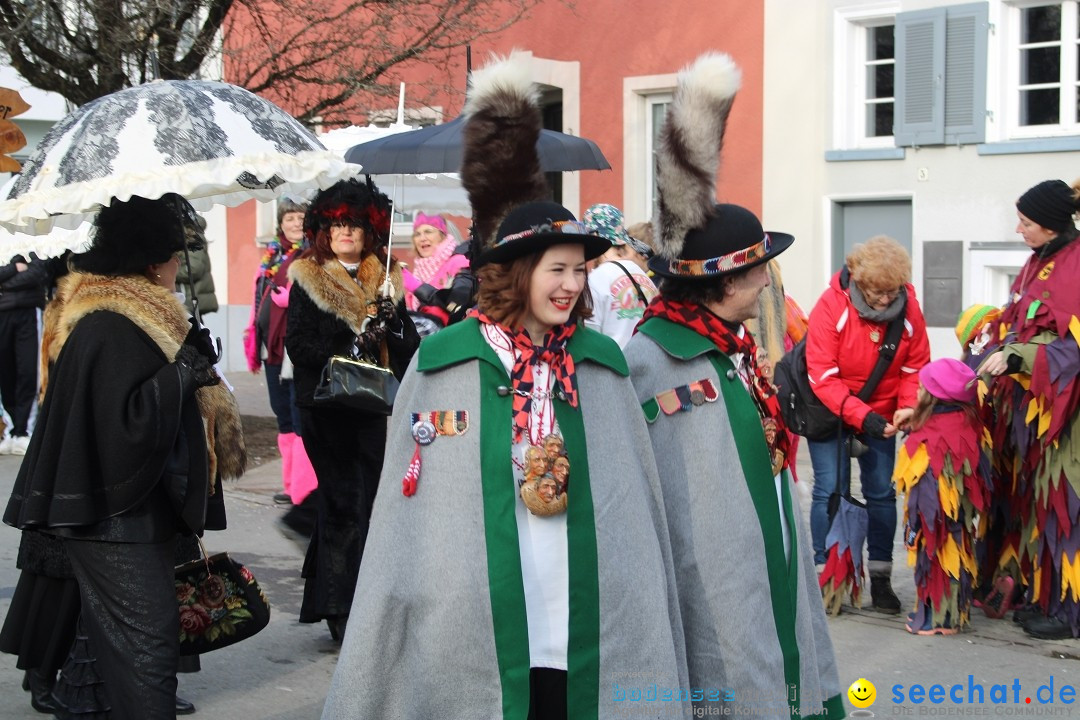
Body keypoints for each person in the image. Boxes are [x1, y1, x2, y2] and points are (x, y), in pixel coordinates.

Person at [321, 52, 688, 720]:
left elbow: (635, 509)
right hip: (479, 612)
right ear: (515, 272)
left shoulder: (601, 363)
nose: (571, 286)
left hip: (583, 604)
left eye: (579, 271)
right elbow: (413, 521)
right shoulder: (444, 364)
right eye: (556, 269)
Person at [624, 51, 842, 719]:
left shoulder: (734, 346)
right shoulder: (653, 357)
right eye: (754, 274)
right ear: (718, 282)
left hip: (767, 553)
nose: (764, 284)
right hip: (711, 580)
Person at [3, 193, 245, 719]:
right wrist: (185, 371)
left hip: (128, 513)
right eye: (174, 255)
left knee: (132, 646)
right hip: (113, 517)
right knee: (148, 648)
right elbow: (124, 426)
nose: (179, 266)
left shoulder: (127, 316)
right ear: (153, 260)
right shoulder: (111, 323)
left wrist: (190, 363)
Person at [285, 177, 420, 642]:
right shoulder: (308, 275)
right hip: (324, 405)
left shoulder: (384, 278)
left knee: (363, 500)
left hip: (369, 404)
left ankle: (333, 592)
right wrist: (354, 339)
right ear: (324, 228)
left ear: (369, 231)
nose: (346, 233)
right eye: (337, 225)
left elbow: (410, 345)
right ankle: (343, 609)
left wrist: (388, 326)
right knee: (345, 500)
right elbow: (298, 346)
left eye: (355, 226)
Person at [805, 234, 930, 614]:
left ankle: (880, 576)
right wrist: (865, 418)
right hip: (831, 412)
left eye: (891, 293)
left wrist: (908, 408)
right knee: (830, 488)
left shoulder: (908, 310)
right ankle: (828, 575)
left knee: (880, 493)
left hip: (883, 415)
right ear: (858, 282)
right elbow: (823, 375)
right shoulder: (831, 305)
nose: (884, 301)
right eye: (877, 294)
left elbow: (914, 366)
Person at [979, 178, 1080, 639]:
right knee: (1039, 510)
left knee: (1066, 508)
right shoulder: (1036, 262)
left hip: (1067, 417)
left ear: (1052, 225)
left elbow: (1071, 348)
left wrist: (1019, 356)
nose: (1018, 229)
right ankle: (1046, 597)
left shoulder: (1076, 266)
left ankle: (1068, 612)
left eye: (1026, 222)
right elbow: (1016, 321)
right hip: (1029, 411)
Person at [893, 358, 990, 635]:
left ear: (935, 398)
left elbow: (927, 494)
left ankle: (937, 618)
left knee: (934, 554)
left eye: (921, 388)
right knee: (955, 553)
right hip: (957, 522)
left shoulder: (933, 439)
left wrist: (917, 526)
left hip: (935, 521)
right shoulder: (963, 422)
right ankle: (950, 614)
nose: (916, 393)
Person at [244, 197, 317, 510]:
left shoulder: (312, 255)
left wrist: (294, 297)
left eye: (301, 217)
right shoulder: (270, 257)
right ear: (281, 224)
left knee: (298, 411)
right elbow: (258, 301)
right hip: (271, 346)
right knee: (281, 412)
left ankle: (304, 488)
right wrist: (251, 336)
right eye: (290, 218)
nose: (295, 223)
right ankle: (290, 483)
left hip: (295, 344)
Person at [582, 203, 658, 348]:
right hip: (644, 365)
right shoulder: (644, 277)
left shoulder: (596, 280)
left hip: (611, 367)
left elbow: (589, 338)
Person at [0, 252, 53, 455]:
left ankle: (23, 431)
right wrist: (15, 269)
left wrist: (4, 284)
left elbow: (38, 272)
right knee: (5, 374)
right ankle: (11, 431)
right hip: (2, 313)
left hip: (29, 312)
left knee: (28, 371)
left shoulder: (34, 244)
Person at [402, 212, 469, 312]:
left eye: (428, 231)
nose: (422, 238)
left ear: (442, 235)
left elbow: (455, 305)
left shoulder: (458, 261)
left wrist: (417, 287)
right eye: (417, 234)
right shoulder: (418, 272)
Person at [174, 217, 218, 317]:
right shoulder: (192, 237)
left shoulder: (192, 239)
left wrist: (171, 272)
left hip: (191, 297)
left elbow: (193, 269)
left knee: (194, 327)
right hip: (192, 297)